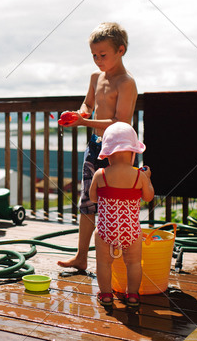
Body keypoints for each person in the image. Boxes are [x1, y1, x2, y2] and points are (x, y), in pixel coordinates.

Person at [57, 22, 138, 271]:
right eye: (94, 55)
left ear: (120, 50)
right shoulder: (96, 78)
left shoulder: (126, 83)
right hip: (95, 146)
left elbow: (120, 122)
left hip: (118, 153)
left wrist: (84, 121)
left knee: (117, 204)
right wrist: (78, 114)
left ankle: (123, 261)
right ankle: (81, 256)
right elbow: (87, 104)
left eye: (103, 55)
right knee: (87, 201)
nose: (98, 60)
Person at [90, 122, 154, 307]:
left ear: (108, 154)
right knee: (133, 263)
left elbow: (93, 198)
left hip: (105, 229)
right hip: (131, 230)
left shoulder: (100, 174)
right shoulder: (138, 176)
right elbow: (148, 197)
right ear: (133, 154)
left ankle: (106, 295)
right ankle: (132, 295)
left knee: (104, 263)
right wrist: (147, 179)